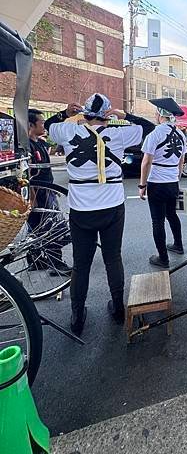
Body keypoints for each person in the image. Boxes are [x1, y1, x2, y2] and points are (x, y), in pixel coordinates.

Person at [45, 94, 154, 336]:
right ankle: (117, 309)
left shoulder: (66, 130)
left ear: (83, 114)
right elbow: (149, 128)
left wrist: (65, 113)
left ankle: (77, 316)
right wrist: (123, 116)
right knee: (112, 257)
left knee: (81, 265)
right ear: (106, 115)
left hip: (81, 209)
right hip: (112, 206)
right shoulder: (118, 133)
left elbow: (46, 126)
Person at [139, 98, 187, 269]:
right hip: (173, 182)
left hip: (157, 183)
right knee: (172, 215)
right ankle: (178, 245)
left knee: (157, 221)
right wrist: (177, 178)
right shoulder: (181, 134)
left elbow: (146, 162)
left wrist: (142, 185)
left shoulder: (155, 134)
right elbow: (181, 160)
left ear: (160, 115)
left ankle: (163, 258)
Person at [27, 109, 71, 276]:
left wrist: (64, 113)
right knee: (52, 229)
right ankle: (56, 263)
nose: (44, 126)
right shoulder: (27, 146)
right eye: (41, 123)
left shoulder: (39, 142)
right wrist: (32, 199)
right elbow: (27, 175)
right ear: (31, 125)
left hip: (47, 191)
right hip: (38, 194)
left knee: (38, 229)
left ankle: (37, 260)